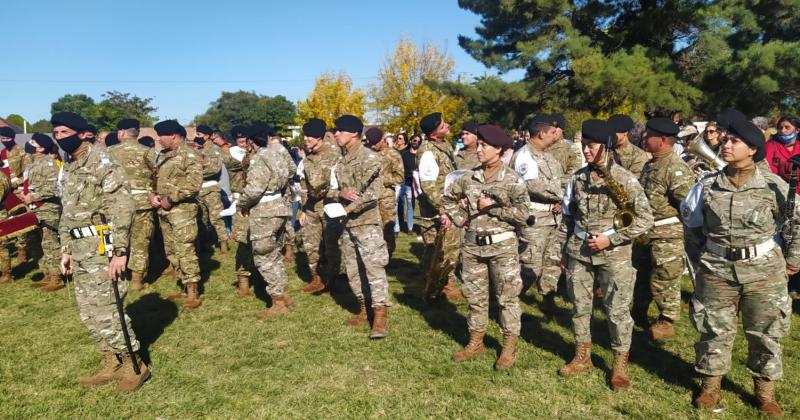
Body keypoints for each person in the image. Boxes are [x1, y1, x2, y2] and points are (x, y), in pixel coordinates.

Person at [681, 119, 796, 416]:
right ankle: (710, 388)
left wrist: (794, 260)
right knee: (713, 330)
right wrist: (700, 263)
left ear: (753, 149)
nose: (726, 145)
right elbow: (692, 228)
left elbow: (796, 224)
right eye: (726, 140)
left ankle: (765, 392)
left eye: (734, 142)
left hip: (764, 272)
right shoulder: (707, 185)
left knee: (765, 333)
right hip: (717, 269)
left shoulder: (773, 185)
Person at [51, 111, 149, 392]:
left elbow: (122, 206)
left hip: (102, 246)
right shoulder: (69, 165)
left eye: (65, 133)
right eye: (56, 133)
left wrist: (120, 251)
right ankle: (111, 361)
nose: (60, 138)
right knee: (88, 311)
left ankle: (135, 364)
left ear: (83, 134)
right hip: (80, 248)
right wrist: (66, 250)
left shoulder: (102, 161)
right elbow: (68, 212)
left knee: (108, 308)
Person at [558, 119, 654, 390]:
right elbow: (567, 216)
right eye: (583, 146)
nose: (586, 151)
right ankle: (582, 355)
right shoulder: (576, 178)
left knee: (617, 310)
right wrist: (563, 251)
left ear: (607, 146)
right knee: (579, 307)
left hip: (614, 255)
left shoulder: (625, 179)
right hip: (579, 252)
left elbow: (645, 219)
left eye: (591, 146)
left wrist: (610, 239)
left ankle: (619, 364)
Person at [442, 124, 530, 370]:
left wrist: (492, 208)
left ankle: (509, 346)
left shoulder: (513, 180)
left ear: (498, 149)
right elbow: (447, 198)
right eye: (478, 144)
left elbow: (523, 214)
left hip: (503, 248)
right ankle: (476, 341)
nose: (478, 149)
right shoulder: (470, 177)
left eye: (484, 146)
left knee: (507, 299)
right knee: (475, 298)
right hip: (473, 248)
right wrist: (461, 219)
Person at [327, 115, 390, 338]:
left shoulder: (370, 158)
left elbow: (374, 192)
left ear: (354, 133)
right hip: (346, 225)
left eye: (339, 131)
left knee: (374, 268)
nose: (335, 134)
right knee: (353, 270)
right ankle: (364, 308)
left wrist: (349, 208)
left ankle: (380, 315)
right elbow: (330, 188)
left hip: (367, 223)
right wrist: (339, 194)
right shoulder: (340, 161)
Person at [634, 118, 693, 341]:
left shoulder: (676, 168)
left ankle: (666, 319)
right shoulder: (650, 165)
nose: (644, 138)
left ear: (663, 140)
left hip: (667, 234)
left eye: (649, 135)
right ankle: (638, 311)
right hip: (646, 232)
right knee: (642, 275)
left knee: (665, 277)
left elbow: (686, 206)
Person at [238, 123, 294, 318]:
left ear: (252, 142)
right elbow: (290, 173)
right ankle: (283, 294)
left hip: (265, 211)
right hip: (279, 207)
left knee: (264, 256)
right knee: (274, 254)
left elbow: (254, 189)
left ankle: (278, 302)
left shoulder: (260, 158)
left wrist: (241, 204)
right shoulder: (277, 154)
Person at [509, 114, 564, 312]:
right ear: (541, 134)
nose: (554, 136)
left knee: (552, 262)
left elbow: (559, 181)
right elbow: (532, 185)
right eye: (551, 133)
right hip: (534, 219)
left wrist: (560, 200)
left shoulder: (549, 157)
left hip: (553, 218)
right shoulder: (524, 155)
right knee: (529, 265)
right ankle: (508, 303)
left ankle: (548, 298)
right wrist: (563, 194)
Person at [151, 120, 203, 309]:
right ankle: (182, 286)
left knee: (185, 250)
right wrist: (154, 196)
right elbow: (157, 179)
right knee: (171, 251)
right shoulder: (164, 155)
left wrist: (171, 199)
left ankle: (192, 291)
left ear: (172, 135)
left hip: (182, 211)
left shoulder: (189, 154)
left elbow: (194, 184)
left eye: (161, 136)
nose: (158, 140)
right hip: (164, 210)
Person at [416, 112, 464, 301]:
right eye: (442, 125)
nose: (447, 125)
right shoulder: (428, 151)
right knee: (436, 249)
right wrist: (444, 209)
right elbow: (428, 185)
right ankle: (433, 288)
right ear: (433, 134)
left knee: (448, 248)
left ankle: (445, 284)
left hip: (449, 204)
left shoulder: (444, 145)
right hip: (437, 208)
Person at [106, 119, 156, 290]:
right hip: (142, 202)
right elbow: (157, 175)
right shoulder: (148, 152)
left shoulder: (108, 152)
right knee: (140, 241)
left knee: (116, 239)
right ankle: (137, 280)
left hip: (115, 203)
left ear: (121, 133)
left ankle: (117, 273)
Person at [297, 119, 342, 294]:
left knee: (331, 245)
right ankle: (316, 278)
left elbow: (341, 183)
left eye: (309, 135)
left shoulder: (335, 155)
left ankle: (332, 280)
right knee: (311, 246)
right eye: (305, 135)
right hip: (310, 209)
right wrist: (303, 209)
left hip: (330, 206)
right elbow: (302, 186)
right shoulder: (307, 160)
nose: (306, 139)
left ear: (319, 137)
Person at [22, 133, 63, 291]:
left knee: (50, 243)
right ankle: (48, 273)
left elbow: (55, 189)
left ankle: (57, 277)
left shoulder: (49, 164)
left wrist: (33, 196)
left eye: (32, 141)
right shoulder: (33, 163)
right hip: (36, 209)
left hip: (48, 210)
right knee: (43, 244)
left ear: (41, 147)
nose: (29, 143)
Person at [218, 125, 254, 296]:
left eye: (244, 137)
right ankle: (243, 280)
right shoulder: (229, 153)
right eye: (238, 137)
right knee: (242, 239)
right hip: (240, 200)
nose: (242, 140)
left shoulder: (255, 151)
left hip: (258, 199)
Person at [366, 127, 404, 259]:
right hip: (370, 198)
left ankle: (388, 256)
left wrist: (381, 179)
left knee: (387, 228)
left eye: (374, 143)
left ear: (382, 140)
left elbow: (400, 178)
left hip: (386, 198)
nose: (372, 146)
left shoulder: (393, 155)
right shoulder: (368, 154)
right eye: (370, 143)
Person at [195, 124, 228, 255]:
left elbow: (214, 169)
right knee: (201, 219)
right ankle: (204, 245)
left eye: (199, 134)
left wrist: (195, 171)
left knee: (216, 218)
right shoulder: (197, 149)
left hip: (211, 188)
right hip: (198, 189)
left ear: (207, 136)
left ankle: (224, 244)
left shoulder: (214, 149)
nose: (196, 137)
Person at [0, 126, 30, 266]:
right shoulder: (2, 153)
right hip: (5, 193)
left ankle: (22, 250)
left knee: (20, 221)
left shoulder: (22, 152)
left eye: (7, 138)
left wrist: (15, 183)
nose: (4, 140)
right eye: (2, 138)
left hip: (18, 192)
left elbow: (27, 173)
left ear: (13, 138)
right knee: (8, 222)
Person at [546, 113, 583, 178]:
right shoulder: (543, 147)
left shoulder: (571, 149)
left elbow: (573, 175)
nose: (553, 130)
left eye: (556, 127)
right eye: (549, 127)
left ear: (562, 129)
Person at [765, 116, 800, 183]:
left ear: (797, 130)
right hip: (779, 188)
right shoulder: (770, 146)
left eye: (787, 127)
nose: (783, 130)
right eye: (780, 128)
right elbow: (767, 170)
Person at [394, 133, 416, 233]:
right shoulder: (395, 152)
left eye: (400, 139)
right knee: (398, 203)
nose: (398, 140)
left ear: (405, 141)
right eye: (397, 138)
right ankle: (399, 225)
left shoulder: (406, 152)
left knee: (409, 203)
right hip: (399, 181)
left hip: (407, 181)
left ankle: (408, 226)